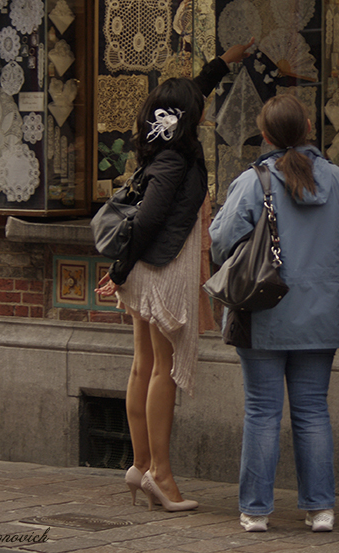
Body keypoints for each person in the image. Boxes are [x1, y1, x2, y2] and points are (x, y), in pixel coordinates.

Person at [95, 41, 253, 512]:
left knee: (143, 364)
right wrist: (119, 270)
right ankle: (161, 475)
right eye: (197, 112)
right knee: (160, 367)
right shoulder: (174, 162)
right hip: (162, 270)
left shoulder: (162, 146)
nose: (204, 116)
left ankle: (141, 465)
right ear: (186, 119)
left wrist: (222, 64)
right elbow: (145, 221)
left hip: (150, 266)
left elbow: (191, 94)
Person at [209, 94, 339, 534]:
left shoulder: (253, 181)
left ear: (265, 135)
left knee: (261, 411)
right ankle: (320, 509)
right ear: (310, 128)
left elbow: (220, 242)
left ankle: (256, 511)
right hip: (321, 314)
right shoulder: (336, 180)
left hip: (263, 313)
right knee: (313, 410)